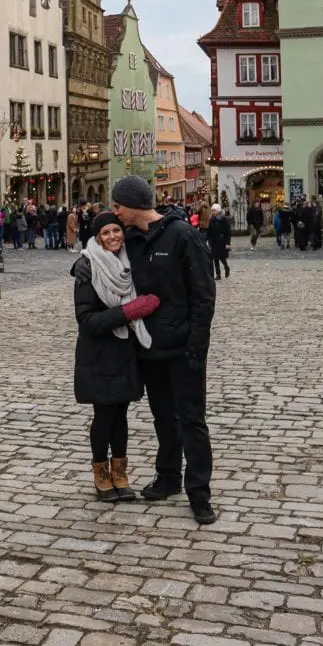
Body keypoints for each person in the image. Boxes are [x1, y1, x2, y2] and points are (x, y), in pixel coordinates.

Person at [112, 174, 217, 525]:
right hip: (149, 346)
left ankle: (199, 492)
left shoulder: (182, 235)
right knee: (163, 419)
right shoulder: (129, 240)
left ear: (136, 204)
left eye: (119, 205)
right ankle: (168, 477)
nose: (116, 213)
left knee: (192, 421)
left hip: (183, 347)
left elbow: (203, 296)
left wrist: (197, 346)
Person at [73, 211, 160, 501]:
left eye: (115, 231)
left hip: (124, 351)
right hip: (98, 354)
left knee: (121, 415)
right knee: (104, 416)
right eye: (105, 233)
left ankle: (120, 473)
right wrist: (126, 312)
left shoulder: (128, 262)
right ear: (97, 238)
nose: (113, 237)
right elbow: (86, 320)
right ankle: (101, 475)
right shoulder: (88, 267)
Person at [208, 203, 231, 279]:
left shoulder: (223, 219)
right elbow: (209, 230)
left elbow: (228, 231)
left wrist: (228, 242)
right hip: (213, 241)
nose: (213, 212)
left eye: (214, 210)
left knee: (221, 257)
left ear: (218, 211)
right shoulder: (211, 219)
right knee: (215, 258)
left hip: (221, 240)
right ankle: (218, 274)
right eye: (212, 210)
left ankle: (226, 267)